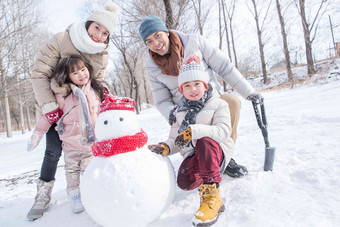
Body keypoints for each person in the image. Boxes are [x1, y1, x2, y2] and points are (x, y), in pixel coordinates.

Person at [138, 14, 263, 178]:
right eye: (149, 41)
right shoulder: (153, 68)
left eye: (157, 35)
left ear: (166, 32)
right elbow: (161, 100)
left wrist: (249, 92)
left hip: (211, 99)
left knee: (231, 101)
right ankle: (198, 158)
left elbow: (225, 67)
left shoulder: (194, 42)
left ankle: (225, 155)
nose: (156, 43)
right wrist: (173, 113)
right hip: (185, 109)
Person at [27, 1, 119, 220]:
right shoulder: (62, 38)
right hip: (57, 107)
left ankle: (92, 189)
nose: (99, 35)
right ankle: (43, 194)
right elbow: (39, 72)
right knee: (53, 151)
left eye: (105, 33)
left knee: (90, 153)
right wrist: (50, 106)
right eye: (97, 27)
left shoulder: (101, 54)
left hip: (85, 112)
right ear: (89, 23)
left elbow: (98, 81)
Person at [149, 55, 233, 226]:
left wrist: (193, 131)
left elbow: (223, 131)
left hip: (217, 152)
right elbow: (175, 139)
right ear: (181, 90)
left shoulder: (218, 104)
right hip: (194, 154)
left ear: (205, 85)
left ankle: (212, 195)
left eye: (197, 84)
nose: (193, 89)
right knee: (185, 182)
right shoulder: (179, 112)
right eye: (187, 85)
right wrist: (166, 147)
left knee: (204, 142)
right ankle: (206, 173)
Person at [28, 55, 105, 214]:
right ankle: (74, 194)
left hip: (91, 144)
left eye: (83, 69)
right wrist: (38, 133)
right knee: (71, 171)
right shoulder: (63, 96)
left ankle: (92, 193)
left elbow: (106, 109)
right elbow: (47, 115)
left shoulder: (95, 91)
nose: (81, 74)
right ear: (67, 76)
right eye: (75, 73)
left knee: (89, 170)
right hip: (70, 144)